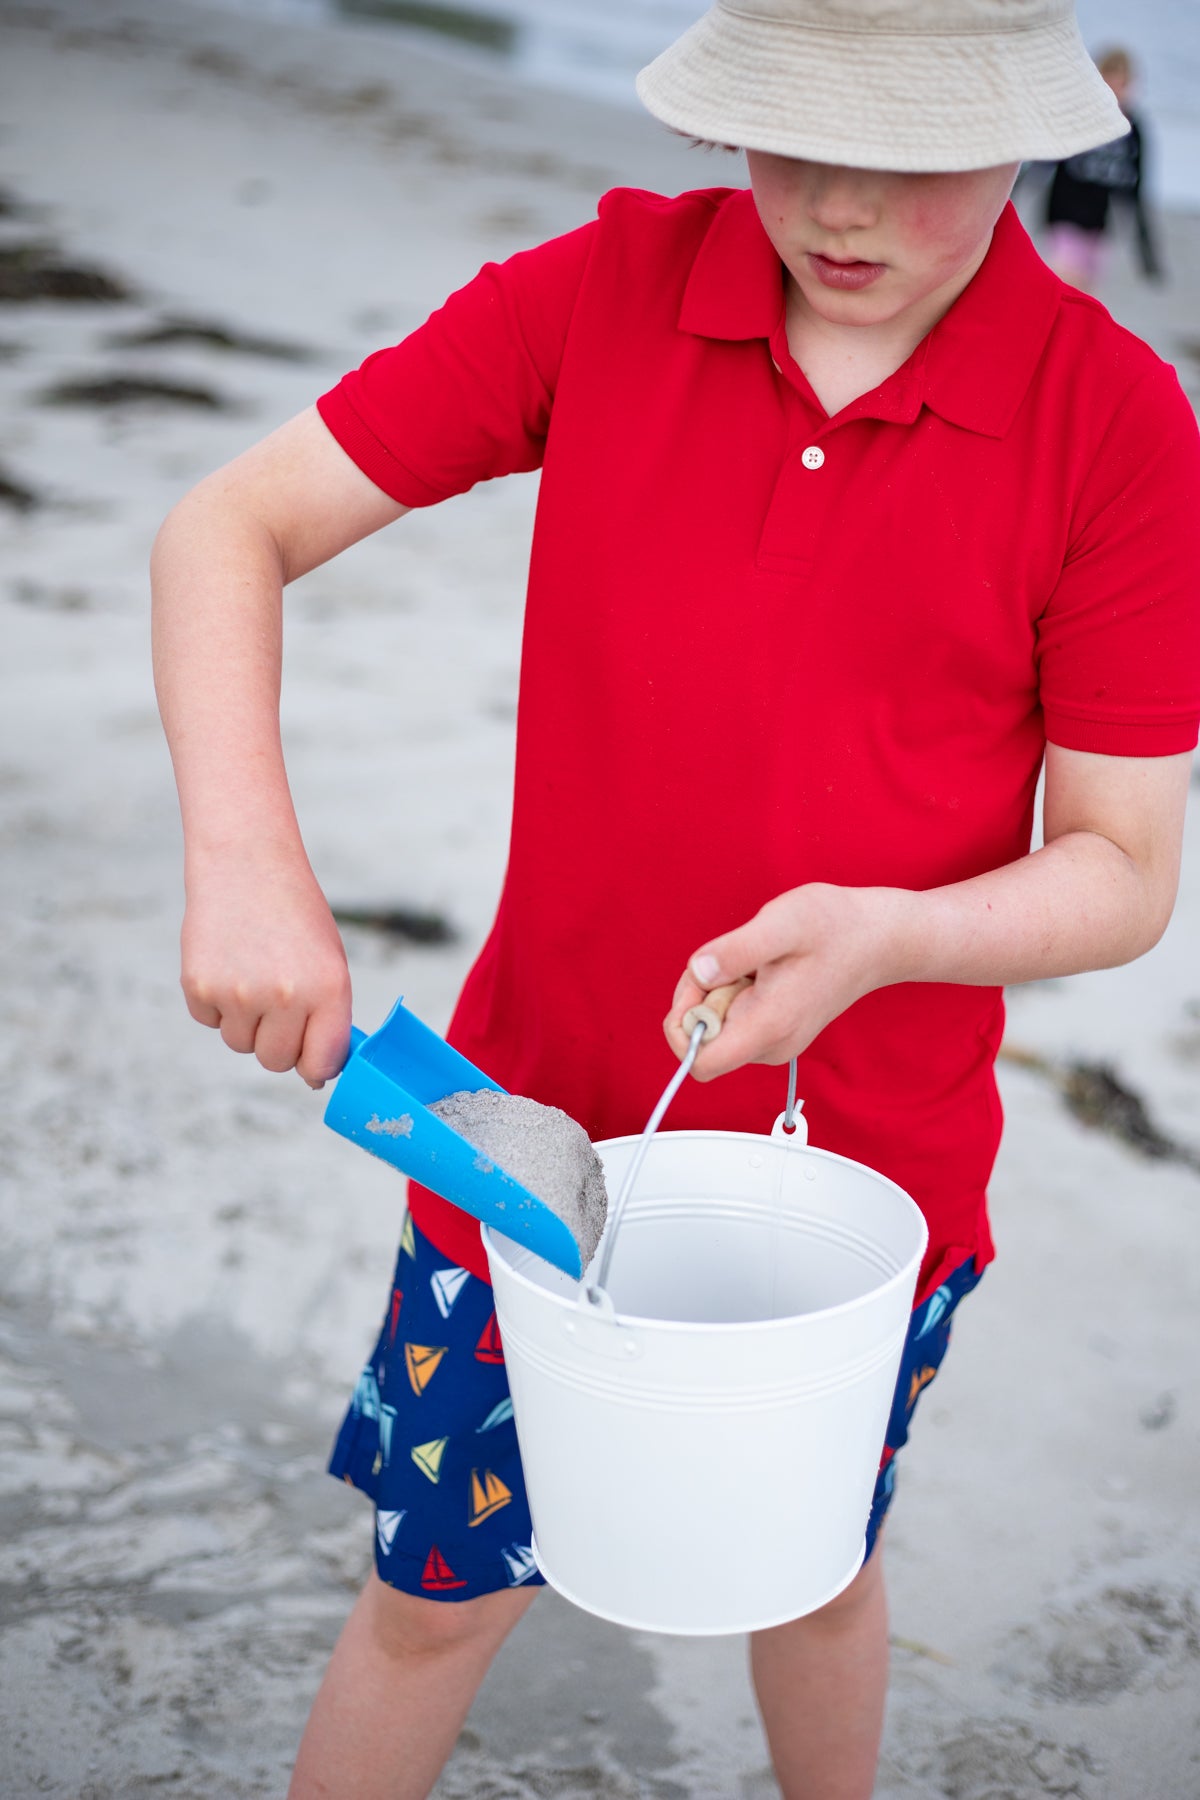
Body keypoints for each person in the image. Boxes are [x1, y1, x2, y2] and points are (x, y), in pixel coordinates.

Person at [150, 1, 1200, 1795]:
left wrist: (894, 935)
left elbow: (1123, 871)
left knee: (813, 1575)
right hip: (520, 1132)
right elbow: (222, 530)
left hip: (866, 1181)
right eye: (797, 139)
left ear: (1026, 133)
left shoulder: (1116, 420)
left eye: (912, 157)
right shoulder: (607, 292)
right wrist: (248, 866)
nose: (842, 211)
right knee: (432, 1599)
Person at [1043, 45, 1163, 291]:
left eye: (1123, 84)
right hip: (1065, 216)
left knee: (1087, 294)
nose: (1117, 90)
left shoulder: (1133, 131)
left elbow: (1137, 190)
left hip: (1099, 224)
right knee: (1065, 285)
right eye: (1110, 80)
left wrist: (1144, 247)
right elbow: (1041, 162)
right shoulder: (1079, 117)